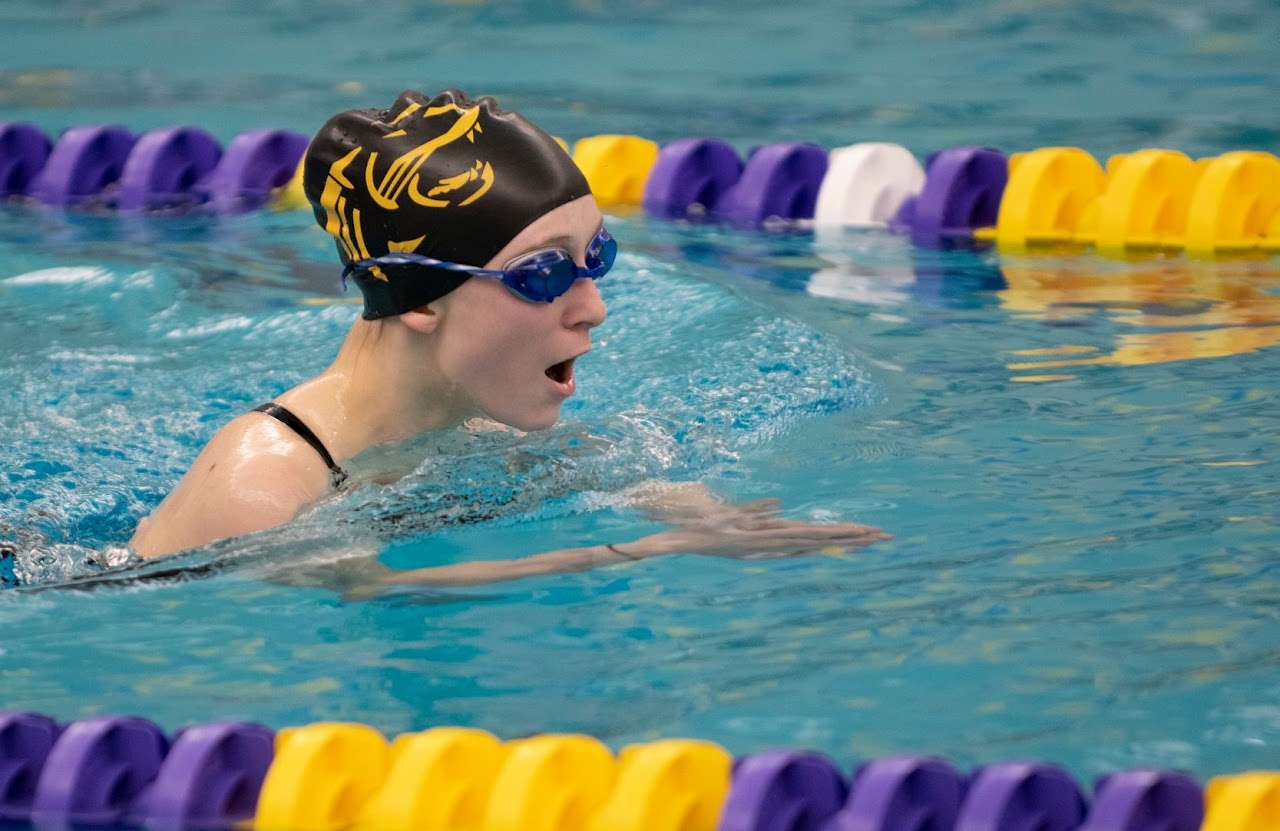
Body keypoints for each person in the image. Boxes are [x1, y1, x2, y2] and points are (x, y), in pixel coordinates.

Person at [128, 88, 889, 589]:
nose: (592, 307)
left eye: (597, 256)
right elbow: (381, 590)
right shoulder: (263, 484)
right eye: (542, 274)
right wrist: (645, 552)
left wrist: (705, 513)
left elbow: (606, 467)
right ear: (422, 296)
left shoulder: (471, 417)